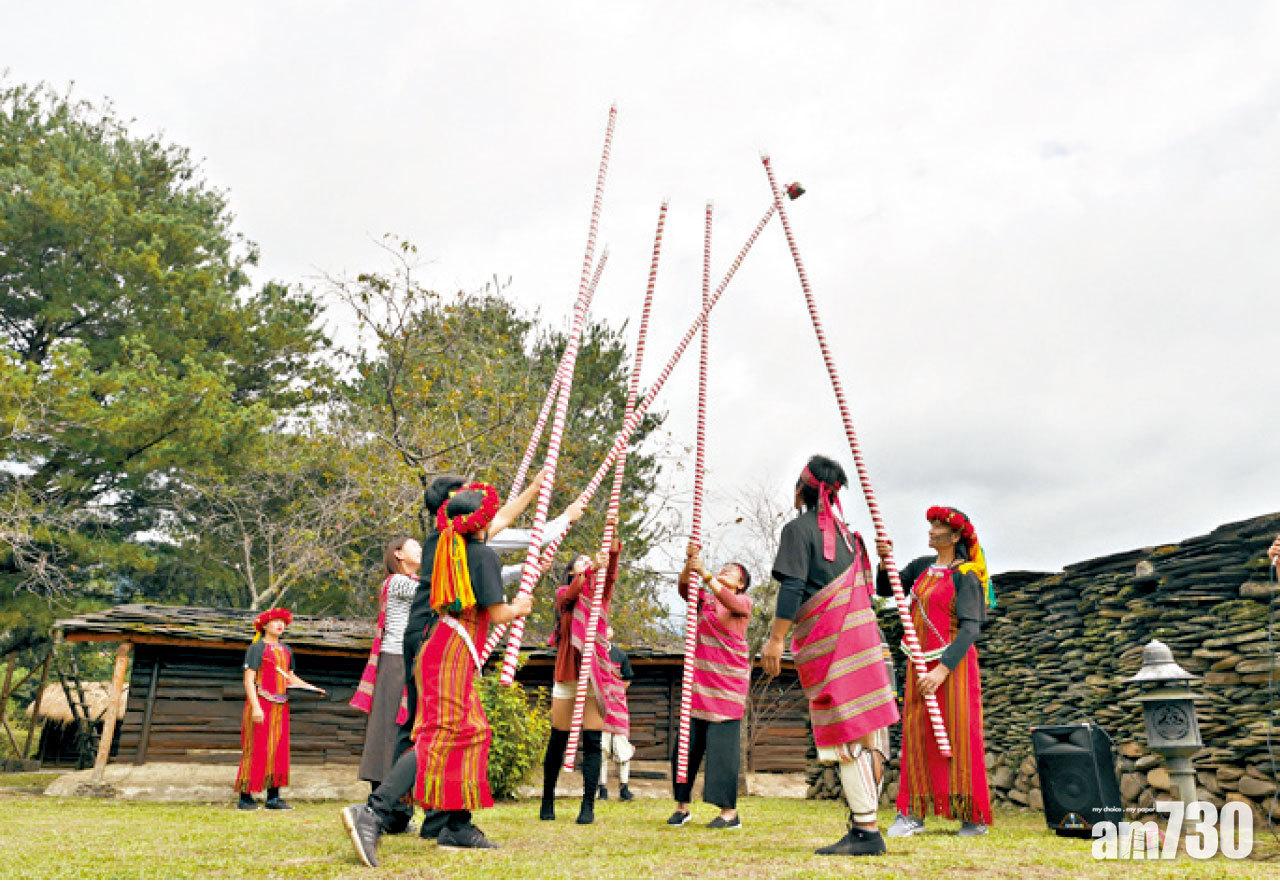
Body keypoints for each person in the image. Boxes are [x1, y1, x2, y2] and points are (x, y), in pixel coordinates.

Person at [343, 482, 533, 865]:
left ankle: (456, 825)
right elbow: (497, 614)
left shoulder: (447, 545)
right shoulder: (482, 557)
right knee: (440, 733)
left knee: (472, 730)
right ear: (481, 523)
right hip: (449, 651)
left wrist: (535, 487)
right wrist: (521, 606)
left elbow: (501, 519)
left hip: (443, 646)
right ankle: (374, 811)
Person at [393, 471, 583, 839]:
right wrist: (565, 517)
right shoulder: (449, 541)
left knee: (447, 727)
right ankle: (392, 810)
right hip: (434, 637)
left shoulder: (456, 540)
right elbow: (524, 536)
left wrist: (534, 488)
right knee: (430, 727)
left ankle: (441, 818)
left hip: (440, 637)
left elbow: (502, 528)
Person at [764, 455, 898, 856]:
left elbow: (792, 587)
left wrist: (775, 640)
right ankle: (866, 822)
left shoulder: (798, 530)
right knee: (868, 732)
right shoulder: (851, 539)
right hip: (868, 643)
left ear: (804, 488)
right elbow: (873, 593)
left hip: (837, 645)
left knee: (847, 733)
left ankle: (866, 830)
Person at [877, 505, 994, 838]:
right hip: (918, 664)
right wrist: (885, 559)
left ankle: (972, 817)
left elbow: (971, 629)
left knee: (960, 735)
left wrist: (941, 671)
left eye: (938, 527)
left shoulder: (966, 575)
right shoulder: (920, 568)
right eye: (930, 525)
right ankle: (911, 812)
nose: (930, 531)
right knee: (916, 734)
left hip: (952, 669)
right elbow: (887, 590)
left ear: (955, 536)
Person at [539, 525, 625, 825]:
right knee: (558, 738)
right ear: (572, 570)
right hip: (569, 672)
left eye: (591, 560)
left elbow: (611, 572)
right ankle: (547, 798)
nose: (589, 563)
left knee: (592, 740)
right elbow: (572, 592)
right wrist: (589, 572)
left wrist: (612, 546)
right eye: (582, 561)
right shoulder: (565, 593)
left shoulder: (600, 596)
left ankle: (587, 806)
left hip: (594, 675)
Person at [668, 543, 753, 829]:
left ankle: (729, 814)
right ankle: (682, 807)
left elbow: (730, 602)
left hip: (727, 690)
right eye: (723, 568)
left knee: (722, 754)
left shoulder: (743, 603)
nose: (724, 570)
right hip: (699, 688)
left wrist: (704, 573)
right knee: (685, 749)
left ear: (740, 584)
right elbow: (684, 588)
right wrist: (689, 563)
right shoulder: (703, 599)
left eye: (732, 571)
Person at [235, 607, 325, 810]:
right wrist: (256, 707)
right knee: (256, 747)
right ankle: (245, 796)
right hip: (260, 703)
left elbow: (289, 677)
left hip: (280, 706)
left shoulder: (287, 650)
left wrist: (311, 687)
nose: (280, 624)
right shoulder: (256, 648)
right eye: (275, 621)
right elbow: (249, 681)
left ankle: (273, 797)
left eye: (282, 621)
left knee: (278, 750)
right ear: (265, 625)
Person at [350, 536, 419, 801]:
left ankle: (395, 799)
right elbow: (432, 593)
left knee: (399, 726)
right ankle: (382, 797)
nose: (421, 550)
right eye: (415, 546)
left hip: (405, 660)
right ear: (399, 554)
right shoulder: (399, 582)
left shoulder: (409, 583)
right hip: (395, 659)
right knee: (390, 726)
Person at [598, 626, 635, 802]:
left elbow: (627, 679)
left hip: (619, 708)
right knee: (602, 748)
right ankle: (602, 788)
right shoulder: (593, 654)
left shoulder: (620, 655)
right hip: (600, 708)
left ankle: (624, 788)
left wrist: (615, 692)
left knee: (623, 749)